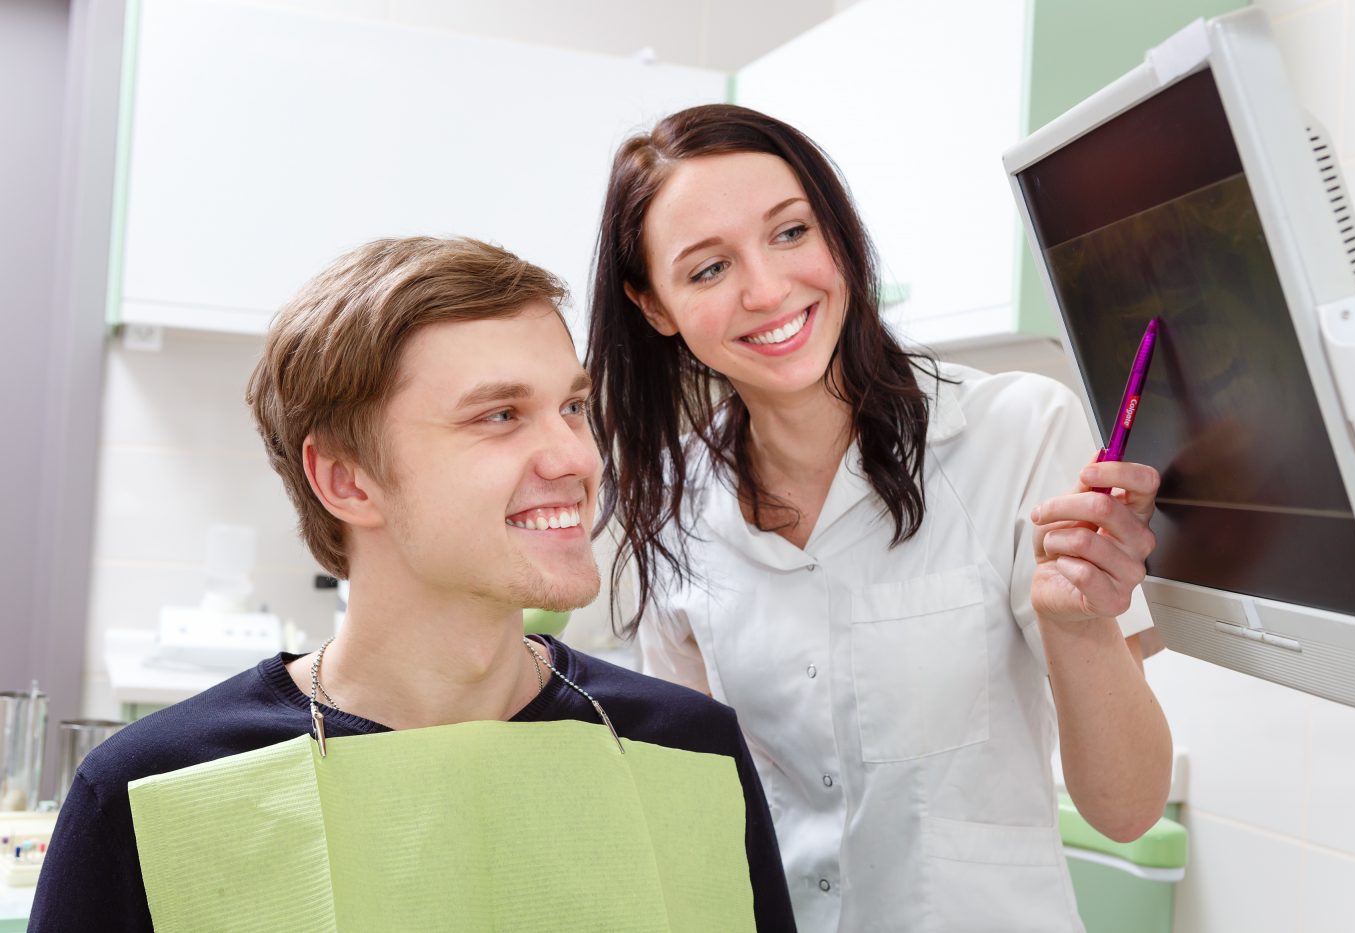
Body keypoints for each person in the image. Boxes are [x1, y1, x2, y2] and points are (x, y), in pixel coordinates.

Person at [30, 236, 796, 932]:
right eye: (499, 415)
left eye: (571, 407)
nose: (575, 457)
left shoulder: (692, 750)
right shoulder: (147, 792)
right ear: (346, 479)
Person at [586, 104, 1173, 932]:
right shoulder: (675, 503)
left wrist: (1077, 627)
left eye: (790, 233)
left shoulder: (1019, 433)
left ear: (838, 230)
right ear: (655, 307)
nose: (767, 288)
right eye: (708, 269)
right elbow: (693, 809)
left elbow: (1126, 809)